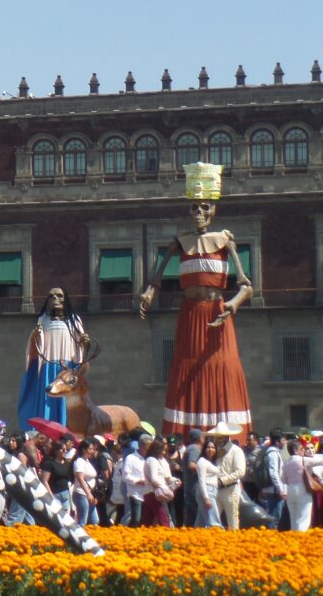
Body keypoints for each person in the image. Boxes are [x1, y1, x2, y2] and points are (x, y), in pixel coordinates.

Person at [140, 163, 253, 436]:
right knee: (187, 366)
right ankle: (186, 432)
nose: (199, 213)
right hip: (190, 314)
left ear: (214, 210)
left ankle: (228, 432)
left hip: (217, 311)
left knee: (221, 365)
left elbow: (246, 286)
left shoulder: (225, 241)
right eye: (195, 207)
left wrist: (232, 305)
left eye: (205, 207)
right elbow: (156, 277)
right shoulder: (179, 242)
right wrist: (149, 292)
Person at [19, 287, 88, 428]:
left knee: (66, 399)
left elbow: (81, 346)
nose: (55, 299)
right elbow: (36, 344)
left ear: (65, 299)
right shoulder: (43, 320)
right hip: (47, 367)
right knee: (47, 398)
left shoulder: (74, 320)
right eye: (51, 296)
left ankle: (68, 427)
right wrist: (35, 336)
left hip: (68, 367)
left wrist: (84, 341)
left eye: (59, 296)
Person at [208, 422, 246, 530]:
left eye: (219, 438)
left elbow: (240, 472)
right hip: (215, 489)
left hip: (230, 490)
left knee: (232, 520)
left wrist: (222, 480)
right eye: (216, 438)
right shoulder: (215, 451)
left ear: (226, 437)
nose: (216, 440)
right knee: (212, 519)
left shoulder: (236, 451)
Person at [282, 440, 323, 531]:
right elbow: (320, 461)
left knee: (293, 518)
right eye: (302, 448)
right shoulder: (303, 460)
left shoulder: (286, 463)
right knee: (303, 519)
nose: (303, 451)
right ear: (296, 450)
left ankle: (293, 539)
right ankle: (301, 540)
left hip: (290, 490)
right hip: (302, 488)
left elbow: (283, 479)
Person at [141, 437, 178, 527]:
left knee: (148, 521)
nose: (164, 452)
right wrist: (165, 488)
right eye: (163, 450)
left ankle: (143, 537)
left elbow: (165, 476)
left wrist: (174, 480)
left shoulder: (155, 460)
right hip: (154, 493)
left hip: (150, 493)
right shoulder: (152, 460)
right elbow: (154, 479)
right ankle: (166, 539)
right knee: (163, 519)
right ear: (157, 450)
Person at [39, 437, 75, 518]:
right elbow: (44, 480)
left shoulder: (66, 463)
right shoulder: (49, 463)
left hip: (66, 493)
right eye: (62, 449)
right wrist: (51, 495)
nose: (65, 451)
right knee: (58, 516)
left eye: (66, 449)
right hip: (55, 493)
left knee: (66, 516)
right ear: (56, 451)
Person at [260, 429, 288, 527]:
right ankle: (270, 538)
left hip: (273, 489)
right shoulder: (273, 453)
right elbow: (273, 472)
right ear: (277, 441)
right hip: (274, 491)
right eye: (283, 440)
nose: (285, 443)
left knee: (275, 516)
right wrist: (280, 489)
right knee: (275, 517)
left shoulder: (274, 452)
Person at [122, 436, 149, 527]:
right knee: (136, 519)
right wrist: (138, 481)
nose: (148, 451)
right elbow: (125, 476)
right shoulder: (131, 458)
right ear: (141, 446)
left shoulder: (149, 459)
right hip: (135, 494)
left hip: (147, 493)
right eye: (146, 449)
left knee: (144, 520)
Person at [195, 439, 223, 528]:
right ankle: (218, 536)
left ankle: (194, 537)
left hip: (212, 490)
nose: (210, 449)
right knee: (214, 520)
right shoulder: (202, 461)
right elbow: (201, 480)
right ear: (204, 449)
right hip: (207, 491)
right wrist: (206, 498)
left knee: (201, 522)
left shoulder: (212, 462)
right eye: (208, 447)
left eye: (213, 447)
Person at [72, 439, 99, 526]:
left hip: (90, 493)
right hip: (81, 493)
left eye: (93, 449)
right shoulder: (79, 461)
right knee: (82, 520)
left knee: (95, 520)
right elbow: (80, 478)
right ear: (84, 449)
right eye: (90, 449)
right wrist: (88, 494)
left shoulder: (87, 461)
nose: (92, 451)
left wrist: (92, 494)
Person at [180, 428, 204, 528]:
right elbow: (191, 465)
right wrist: (207, 468)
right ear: (199, 438)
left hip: (190, 487)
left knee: (191, 515)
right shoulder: (194, 449)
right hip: (194, 487)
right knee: (195, 515)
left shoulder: (189, 448)